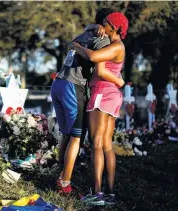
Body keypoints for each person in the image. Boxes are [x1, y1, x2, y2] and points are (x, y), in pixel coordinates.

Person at [51, 8, 125, 196]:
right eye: (105, 23)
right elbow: (100, 65)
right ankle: (72, 184)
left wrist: (80, 41)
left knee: (78, 138)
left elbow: (91, 60)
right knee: (87, 139)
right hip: (83, 88)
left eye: (107, 24)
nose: (105, 27)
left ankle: (69, 181)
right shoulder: (103, 38)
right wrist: (119, 81)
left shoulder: (92, 35)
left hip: (71, 85)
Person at [70, 12, 129, 205]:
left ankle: (97, 193)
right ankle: (109, 193)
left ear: (114, 27)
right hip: (110, 95)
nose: (102, 25)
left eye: (106, 23)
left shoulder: (114, 45)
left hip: (102, 94)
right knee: (106, 145)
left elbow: (95, 59)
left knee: (96, 144)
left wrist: (77, 47)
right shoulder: (114, 44)